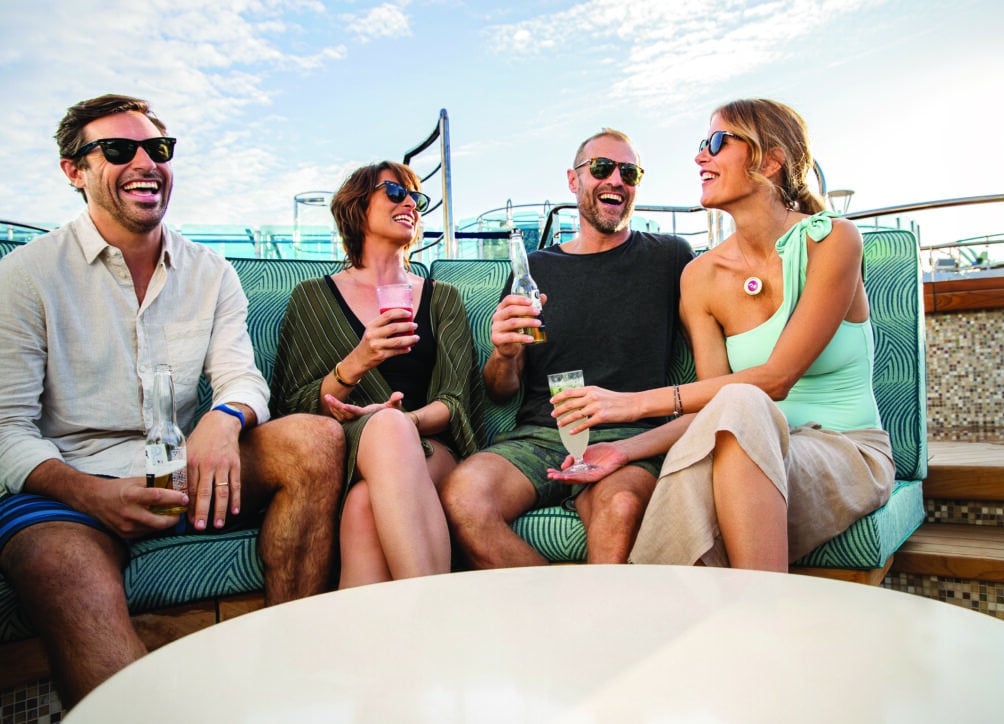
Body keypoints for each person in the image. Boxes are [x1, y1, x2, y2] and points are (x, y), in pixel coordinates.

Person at [0, 94, 345, 707]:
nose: (144, 163)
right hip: (70, 487)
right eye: (117, 150)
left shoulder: (211, 271)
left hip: (185, 469)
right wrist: (89, 494)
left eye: (157, 149)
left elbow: (242, 378)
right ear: (73, 170)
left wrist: (222, 418)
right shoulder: (25, 276)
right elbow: (7, 429)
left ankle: (289, 675)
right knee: (57, 567)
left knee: (315, 439)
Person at [548, 99, 894, 571]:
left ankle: (703, 606)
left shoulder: (832, 241)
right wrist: (621, 450)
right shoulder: (701, 276)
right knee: (731, 417)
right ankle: (668, 611)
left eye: (715, 142)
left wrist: (632, 404)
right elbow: (713, 412)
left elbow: (773, 381)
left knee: (746, 402)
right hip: (741, 447)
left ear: (768, 160)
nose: (698, 158)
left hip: (843, 448)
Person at [439, 129, 695, 567]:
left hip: (629, 434)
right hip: (541, 434)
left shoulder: (670, 257)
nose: (616, 179)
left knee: (620, 509)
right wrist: (502, 353)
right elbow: (501, 390)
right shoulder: (536, 268)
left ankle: (591, 626)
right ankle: (557, 620)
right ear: (573, 181)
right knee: (462, 498)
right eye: (601, 168)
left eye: (629, 172)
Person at [270, 162, 480, 588]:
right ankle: (435, 616)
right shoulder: (312, 297)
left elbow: (457, 401)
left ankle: (371, 644)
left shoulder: (443, 298)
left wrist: (405, 421)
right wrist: (357, 362)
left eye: (416, 198)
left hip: (428, 446)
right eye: (394, 192)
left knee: (368, 497)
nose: (410, 204)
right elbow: (291, 404)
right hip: (347, 449)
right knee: (369, 479)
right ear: (357, 205)